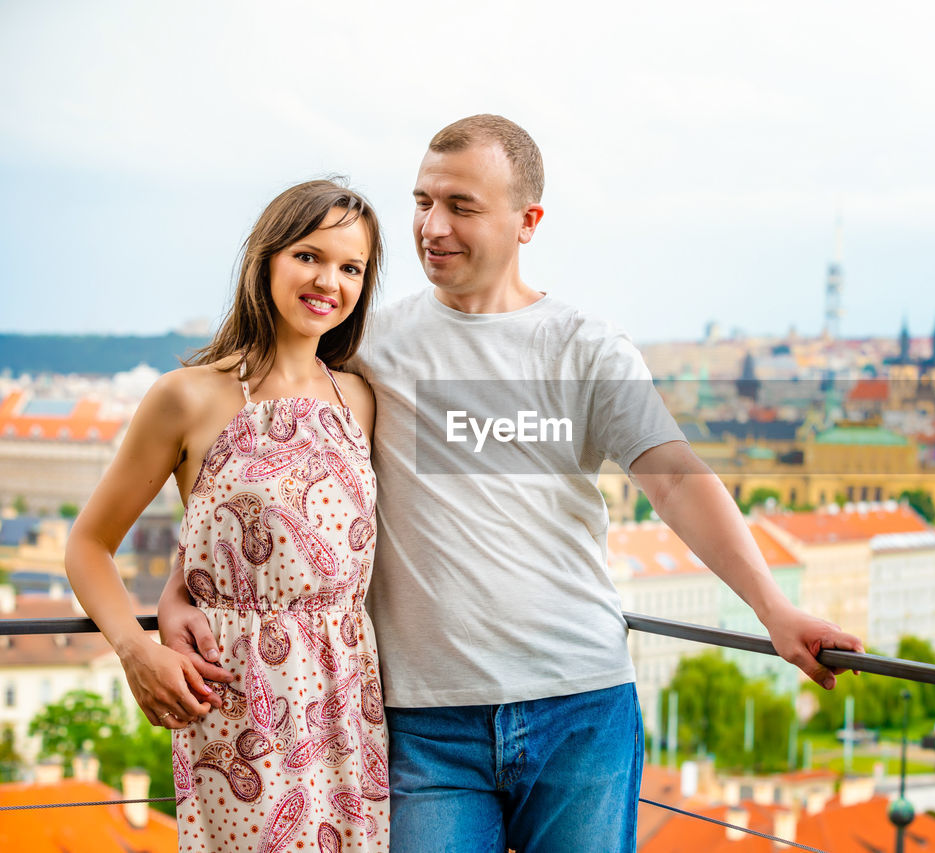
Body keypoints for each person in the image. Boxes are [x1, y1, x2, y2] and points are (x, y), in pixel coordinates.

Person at [162, 116, 864, 852]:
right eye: (422, 200)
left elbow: (678, 481)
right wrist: (185, 583)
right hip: (422, 722)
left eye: (460, 206)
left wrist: (774, 610)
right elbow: (267, 470)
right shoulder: (366, 348)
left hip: (580, 704)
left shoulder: (585, 346)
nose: (432, 226)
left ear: (528, 221)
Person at [66, 179, 390, 852]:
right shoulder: (187, 396)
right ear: (267, 258)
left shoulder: (359, 397)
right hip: (239, 705)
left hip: (349, 704)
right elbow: (88, 544)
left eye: (350, 267)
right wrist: (137, 648)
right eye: (309, 255)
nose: (328, 280)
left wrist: (182, 574)